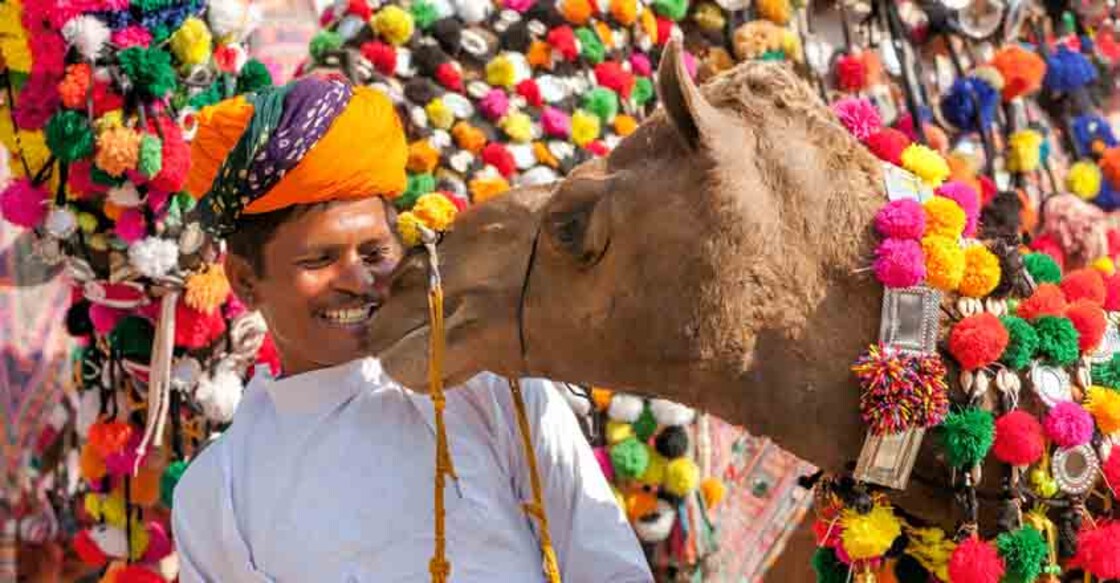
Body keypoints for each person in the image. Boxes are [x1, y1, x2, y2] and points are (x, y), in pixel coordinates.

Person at [170, 75, 652, 582]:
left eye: (374, 253)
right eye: (320, 260)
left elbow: (610, 568)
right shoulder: (218, 495)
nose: (358, 281)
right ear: (245, 282)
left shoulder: (489, 389)